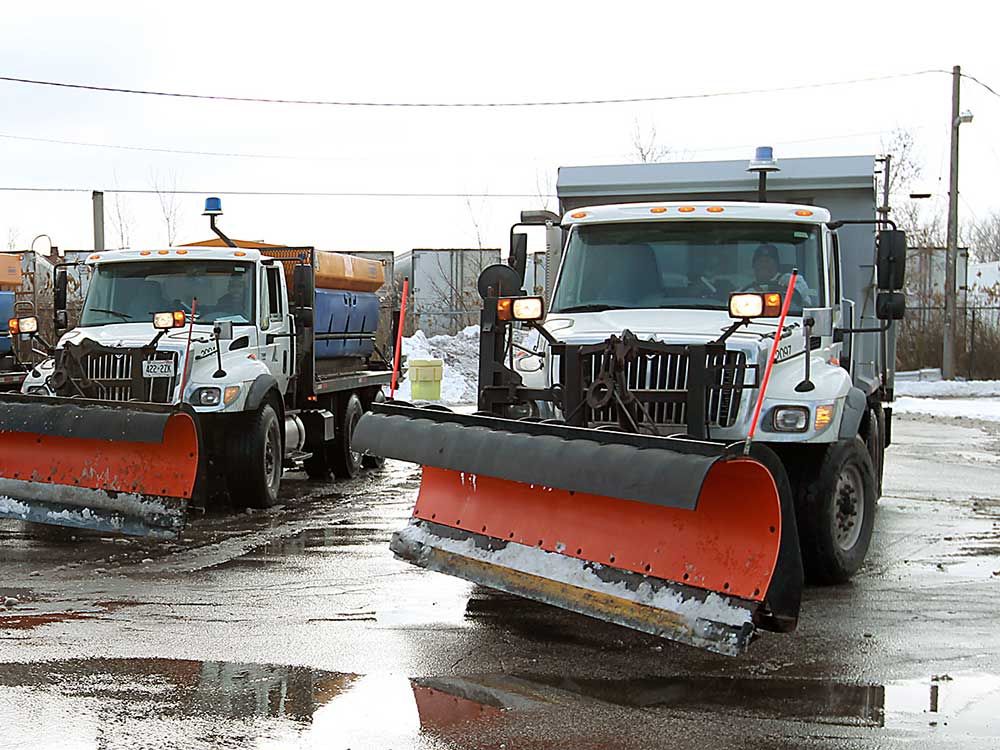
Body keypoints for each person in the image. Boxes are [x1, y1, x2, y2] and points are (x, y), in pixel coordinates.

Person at [742, 243, 814, 304]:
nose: (764, 265)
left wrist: (772, 288)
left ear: (776, 265)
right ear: (753, 266)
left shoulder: (791, 280)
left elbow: (801, 294)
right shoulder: (746, 290)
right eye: (760, 261)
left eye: (767, 261)